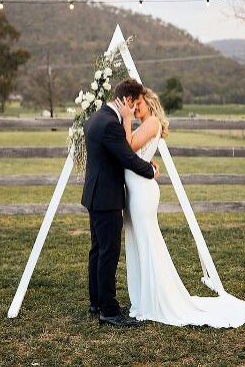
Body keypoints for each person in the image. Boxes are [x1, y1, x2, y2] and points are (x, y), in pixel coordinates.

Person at [119, 87, 245, 327]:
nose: (135, 107)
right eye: (133, 104)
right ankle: (143, 299)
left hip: (142, 193)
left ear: (149, 102)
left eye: (139, 102)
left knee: (146, 243)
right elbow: (136, 154)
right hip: (134, 190)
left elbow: (128, 146)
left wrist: (126, 118)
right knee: (137, 244)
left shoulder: (151, 122)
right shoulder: (144, 124)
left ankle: (154, 300)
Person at [81, 78, 160, 327]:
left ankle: (96, 301)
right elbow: (128, 157)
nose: (136, 109)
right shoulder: (111, 125)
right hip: (107, 198)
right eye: (135, 103)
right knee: (108, 253)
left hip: (94, 195)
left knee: (97, 250)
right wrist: (151, 171)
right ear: (127, 100)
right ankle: (109, 310)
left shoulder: (97, 117)